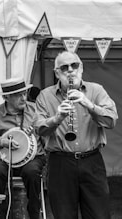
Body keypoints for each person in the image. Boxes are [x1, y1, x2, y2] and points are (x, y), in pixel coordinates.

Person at [34, 50, 118, 219]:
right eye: (64, 67)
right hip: (60, 163)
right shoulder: (45, 96)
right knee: (64, 214)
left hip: (92, 161)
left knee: (99, 214)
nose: (70, 70)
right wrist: (57, 118)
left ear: (82, 68)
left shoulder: (96, 90)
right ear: (57, 73)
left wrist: (89, 104)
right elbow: (39, 129)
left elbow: (111, 121)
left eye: (75, 65)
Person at [0, 78, 46, 219]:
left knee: (32, 172)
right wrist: (1, 142)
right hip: (5, 159)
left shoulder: (36, 110)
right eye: (18, 95)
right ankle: (2, 213)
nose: (23, 98)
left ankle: (34, 213)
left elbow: (49, 134)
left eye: (24, 94)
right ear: (6, 97)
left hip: (33, 158)